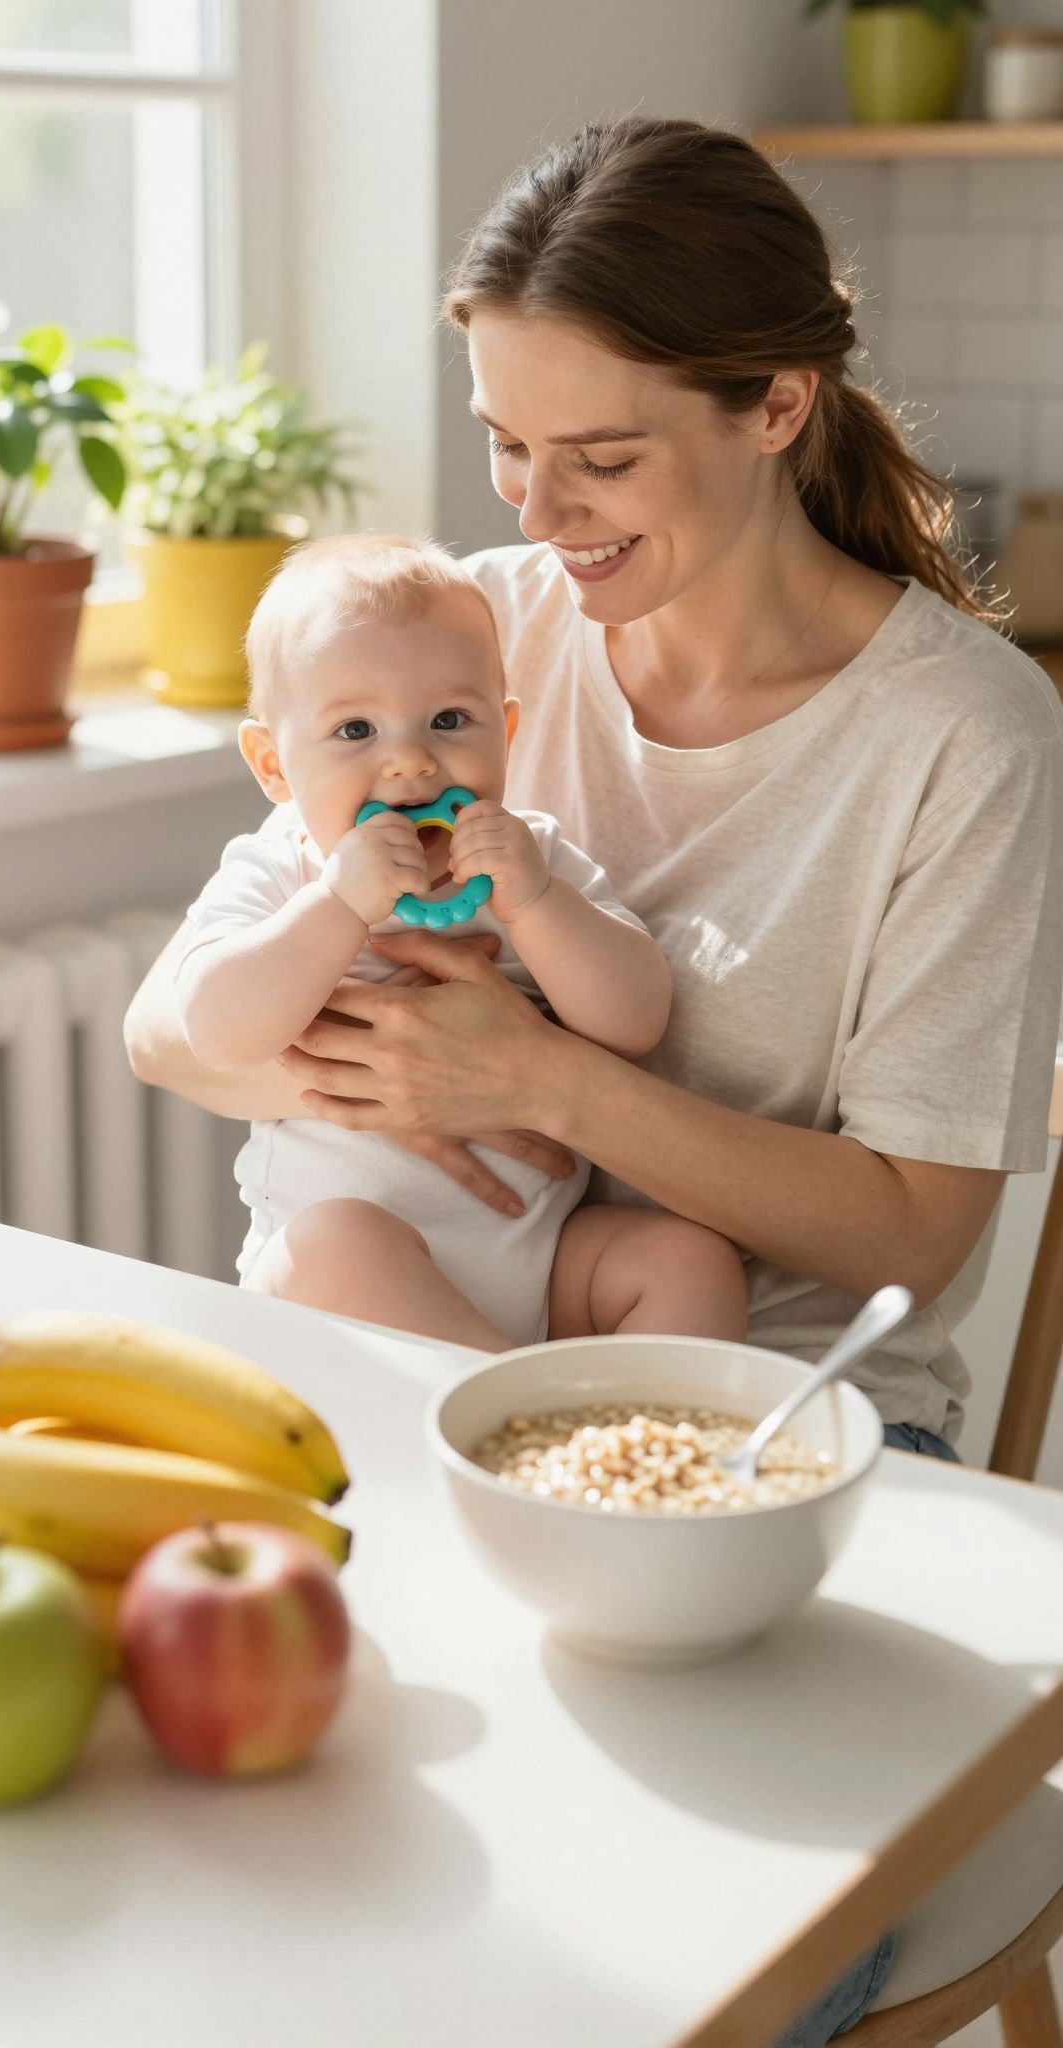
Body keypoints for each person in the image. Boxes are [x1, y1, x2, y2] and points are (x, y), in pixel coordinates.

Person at [125, 115, 1063, 2040]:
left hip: (793, 1429)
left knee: (610, 1979)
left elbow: (921, 1233)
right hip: (406, 1372)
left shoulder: (959, 735)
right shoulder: (474, 629)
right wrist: (348, 1049)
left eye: (601, 457)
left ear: (777, 402)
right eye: (505, 445)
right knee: (263, 1907)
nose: (541, 512)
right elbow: (169, 1025)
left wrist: (534, 1079)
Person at [174, 532, 748, 1349]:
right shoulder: (281, 871)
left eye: (449, 720)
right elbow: (216, 1029)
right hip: (338, 1297)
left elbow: (636, 1020)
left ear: (506, 732)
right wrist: (340, 905)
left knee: (686, 1260)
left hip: (537, 1271)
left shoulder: (532, 855)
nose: (410, 763)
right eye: (354, 732)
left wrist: (540, 903)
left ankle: (657, 1456)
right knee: (336, 1244)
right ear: (273, 766)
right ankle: (524, 1434)